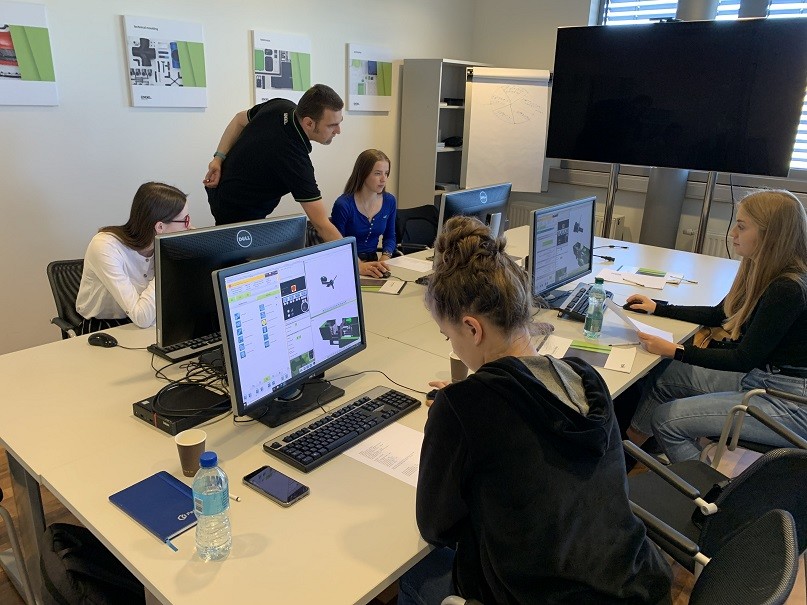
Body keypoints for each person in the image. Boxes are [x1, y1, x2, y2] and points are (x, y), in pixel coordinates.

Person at [398, 216, 672, 605]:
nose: (453, 346)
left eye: (449, 336)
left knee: (413, 577)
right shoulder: (586, 379)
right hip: (636, 586)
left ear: (473, 329)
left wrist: (452, 411)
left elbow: (437, 529)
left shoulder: (462, 408)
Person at [625, 189, 807, 462]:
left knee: (665, 421)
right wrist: (659, 308)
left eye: (741, 226)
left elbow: (743, 359)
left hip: (786, 400)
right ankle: (631, 449)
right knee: (664, 376)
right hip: (763, 378)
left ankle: (711, 485)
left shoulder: (787, 289)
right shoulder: (762, 270)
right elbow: (720, 313)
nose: (732, 233)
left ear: (769, 235)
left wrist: (676, 350)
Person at [203, 83, 386, 277]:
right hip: (235, 209)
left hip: (227, 187)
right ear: (309, 123)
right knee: (233, 271)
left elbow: (239, 120)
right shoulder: (294, 159)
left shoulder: (281, 107)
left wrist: (218, 158)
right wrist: (357, 264)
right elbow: (321, 223)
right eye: (332, 125)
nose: (338, 130)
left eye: (339, 122)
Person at [75, 182, 190, 333]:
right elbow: (141, 317)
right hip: (104, 328)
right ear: (160, 227)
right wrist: (169, 265)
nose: (189, 227)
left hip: (150, 322)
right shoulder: (105, 246)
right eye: (185, 221)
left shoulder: (163, 246)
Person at [331, 149, 396, 263]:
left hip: (373, 262)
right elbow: (337, 245)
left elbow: (390, 236)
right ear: (363, 174)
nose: (383, 179)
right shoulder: (343, 204)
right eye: (377, 173)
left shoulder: (389, 201)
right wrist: (359, 265)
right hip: (347, 262)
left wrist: (384, 259)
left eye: (386, 173)